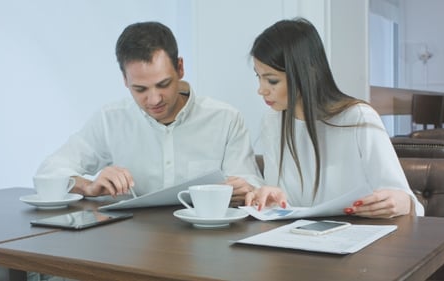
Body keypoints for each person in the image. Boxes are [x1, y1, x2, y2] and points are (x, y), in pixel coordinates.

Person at [35, 21, 262, 204]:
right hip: (129, 246)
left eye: (163, 84)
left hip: (206, 245)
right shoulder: (111, 119)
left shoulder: (225, 119)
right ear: (125, 80)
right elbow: (48, 174)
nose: (154, 100)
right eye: (140, 89)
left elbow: (253, 185)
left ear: (180, 68)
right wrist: (89, 186)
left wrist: (246, 189)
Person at [244, 18, 424, 218]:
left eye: (272, 80)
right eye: (258, 77)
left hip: (359, 237)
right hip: (295, 238)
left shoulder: (358, 118)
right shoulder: (272, 121)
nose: (261, 90)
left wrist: (402, 202)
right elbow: (282, 199)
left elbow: (405, 201)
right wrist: (271, 195)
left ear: (307, 72)